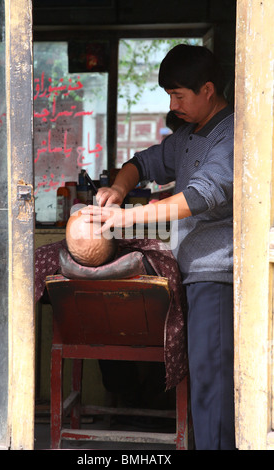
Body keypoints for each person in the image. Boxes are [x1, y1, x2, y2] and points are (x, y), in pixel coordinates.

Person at [82, 44, 235, 450]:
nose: (173, 104)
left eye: (179, 95)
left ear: (208, 89)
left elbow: (203, 195)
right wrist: (118, 186)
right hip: (193, 270)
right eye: (169, 95)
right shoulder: (187, 136)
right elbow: (144, 163)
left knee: (212, 382)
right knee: (200, 378)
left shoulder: (233, 133)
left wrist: (128, 217)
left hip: (218, 272)